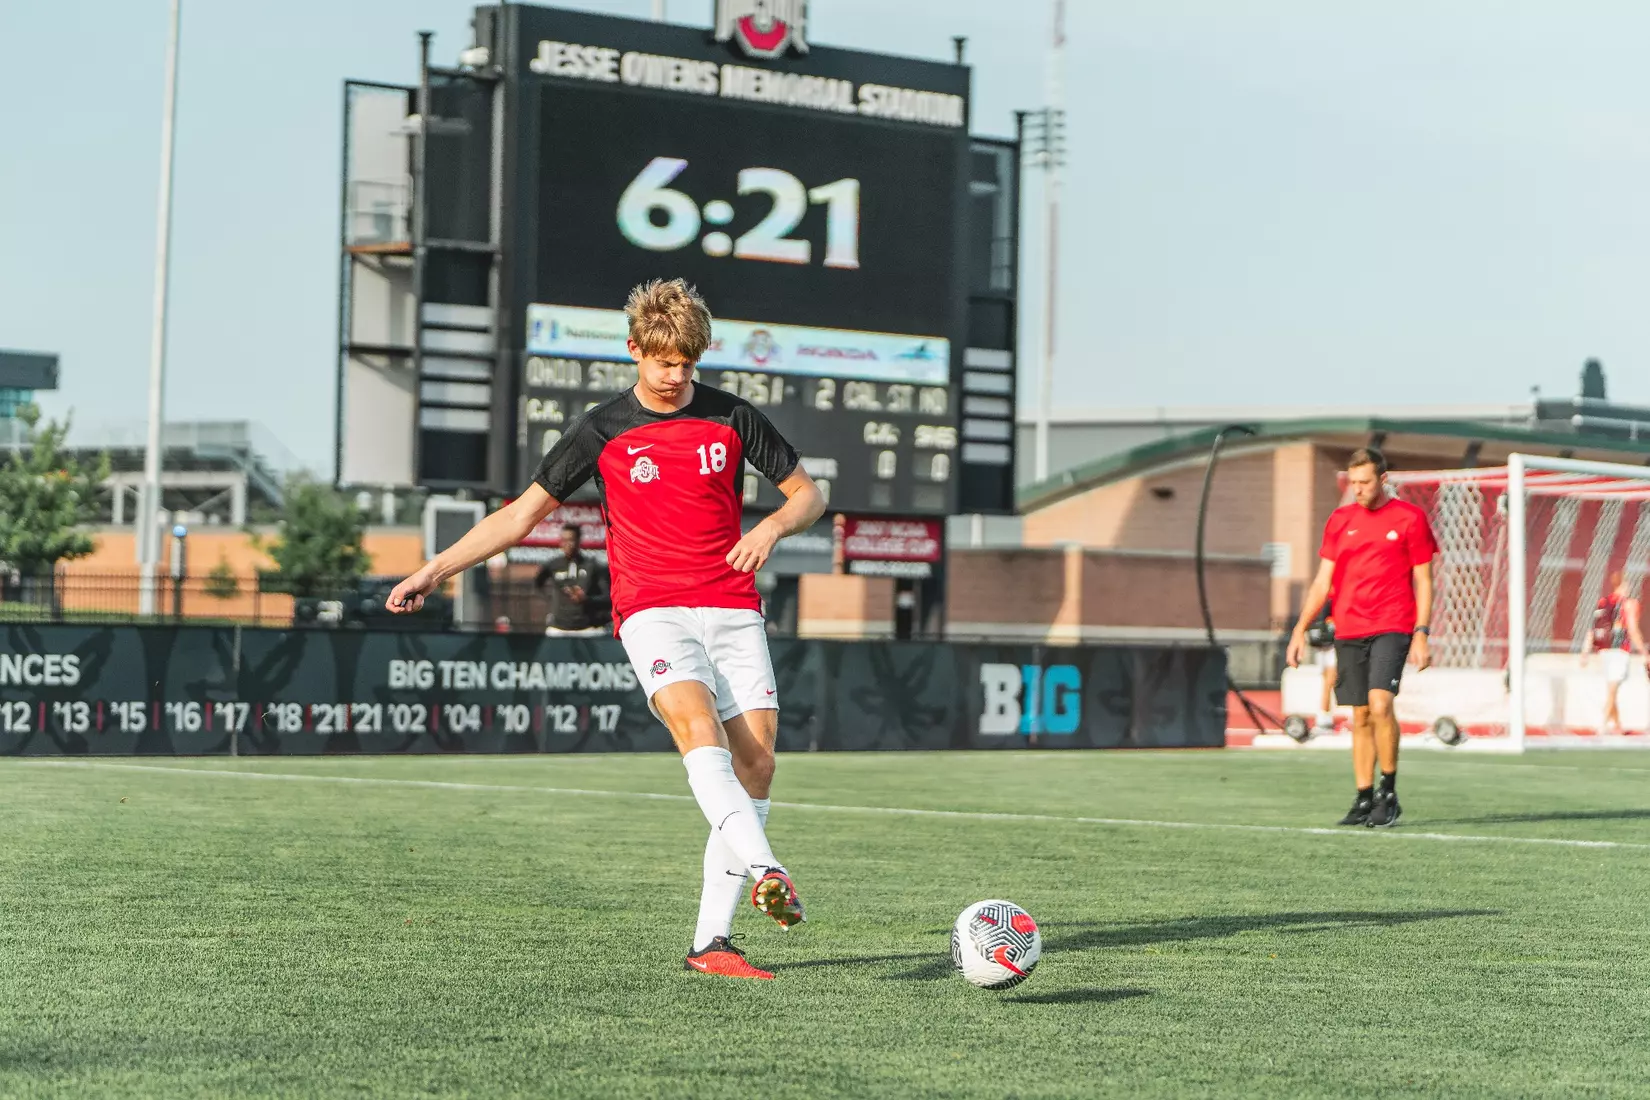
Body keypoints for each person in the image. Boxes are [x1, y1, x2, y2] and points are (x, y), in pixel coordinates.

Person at [387, 278, 826, 980]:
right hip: (652, 608)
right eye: (663, 362)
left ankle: (712, 944)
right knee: (695, 728)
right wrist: (434, 570)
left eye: (688, 362)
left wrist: (772, 526)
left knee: (760, 765)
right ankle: (768, 866)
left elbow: (809, 493)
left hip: (734, 606)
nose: (676, 376)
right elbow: (519, 516)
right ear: (634, 351)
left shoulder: (734, 417)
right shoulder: (601, 429)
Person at [1287, 448, 1436, 827]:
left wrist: (1421, 632)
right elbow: (1323, 580)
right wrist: (1299, 629)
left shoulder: (1409, 519)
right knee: (1360, 714)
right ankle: (1363, 796)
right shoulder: (1340, 520)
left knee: (1381, 705)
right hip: (1349, 628)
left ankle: (1389, 792)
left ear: (1383, 480)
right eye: (1352, 482)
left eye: (1365, 482)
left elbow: (1423, 579)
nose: (1357, 489)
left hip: (1393, 624)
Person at [1582, 570, 1648, 734]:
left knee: (1612, 687)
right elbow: (1632, 629)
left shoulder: (1603, 602)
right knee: (1612, 689)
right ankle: (1603, 725)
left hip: (1604, 650)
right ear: (1625, 584)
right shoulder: (1629, 603)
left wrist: (1585, 652)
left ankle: (1617, 726)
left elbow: (1593, 629)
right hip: (1619, 650)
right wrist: (1644, 653)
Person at [534, 522, 610, 637]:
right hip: (558, 628)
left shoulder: (592, 565)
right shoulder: (553, 565)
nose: (567, 544)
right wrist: (552, 601)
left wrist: (587, 599)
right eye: (564, 540)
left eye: (571, 540)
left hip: (586, 628)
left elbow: (608, 598)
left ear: (579, 541)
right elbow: (538, 583)